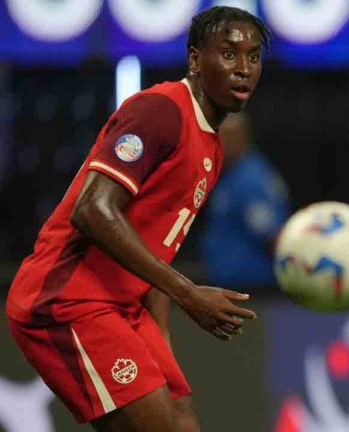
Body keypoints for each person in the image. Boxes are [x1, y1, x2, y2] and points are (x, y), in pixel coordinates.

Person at [5, 6, 269, 431]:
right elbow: (91, 210)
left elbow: (154, 252)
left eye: (253, 57)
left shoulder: (213, 148)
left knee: (182, 419)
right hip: (64, 299)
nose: (243, 69)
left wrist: (160, 351)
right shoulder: (160, 111)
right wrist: (188, 293)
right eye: (229, 54)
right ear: (195, 60)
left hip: (122, 305)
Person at [202, 112, 290, 290]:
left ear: (241, 138)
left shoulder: (250, 179)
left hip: (251, 289)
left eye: (224, 137)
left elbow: (272, 236)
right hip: (229, 286)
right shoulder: (230, 174)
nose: (217, 143)